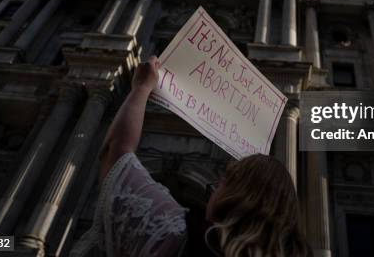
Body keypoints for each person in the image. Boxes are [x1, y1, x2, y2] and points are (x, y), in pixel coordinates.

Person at [71, 56, 310, 257]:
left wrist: (141, 88)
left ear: (236, 194)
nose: (215, 188)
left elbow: (116, 155)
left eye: (224, 181)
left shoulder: (176, 236)